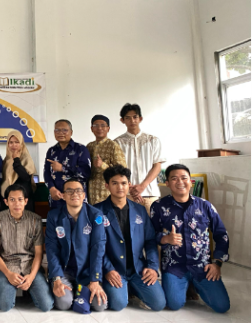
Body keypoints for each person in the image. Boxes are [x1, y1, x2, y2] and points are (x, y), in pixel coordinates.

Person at [150, 164, 230, 313]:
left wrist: (217, 263)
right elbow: (150, 236)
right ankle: (184, 285)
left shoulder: (205, 206)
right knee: (174, 304)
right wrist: (165, 239)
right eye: (174, 179)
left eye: (184, 178)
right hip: (174, 266)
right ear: (167, 183)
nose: (180, 182)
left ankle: (195, 285)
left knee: (222, 306)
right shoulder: (158, 206)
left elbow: (221, 235)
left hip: (202, 266)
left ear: (191, 182)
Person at [94, 165, 165, 311]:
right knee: (118, 304)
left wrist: (152, 267)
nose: (120, 187)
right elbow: (95, 245)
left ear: (129, 185)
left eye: (123, 183)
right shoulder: (97, 211)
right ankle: (124, 288)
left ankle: (132, 287)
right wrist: (108, 269)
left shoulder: (140, 209)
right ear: (107, 186)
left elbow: (150, 241)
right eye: (115, 183)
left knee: (158, 304)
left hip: (138, 269)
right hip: (114, 269)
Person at [46, 178, 108, 312]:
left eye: (79, 191)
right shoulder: (54, 216)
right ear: (63, 195)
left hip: (86, 271)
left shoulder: (95, 215)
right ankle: (76, 294)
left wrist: (95, 280)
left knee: (100, 305)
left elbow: (98, 248)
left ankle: (79, 293)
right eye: (69, 191)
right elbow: (52, 249)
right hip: (64, 271)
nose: (75, 194)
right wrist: (56, 279)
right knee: (63, 304)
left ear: (84, 195)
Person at [0, 184, 53, 312]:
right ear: (6, 202)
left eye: (20, 199)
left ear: (26, 201)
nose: (16, 203)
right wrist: (8, 274)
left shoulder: (35, 220)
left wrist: (31, 277)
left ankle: (30, 290)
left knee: (46, 305)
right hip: (7, 266)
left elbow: (38, 253)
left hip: (29, 266)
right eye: (12, 200)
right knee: (4, 306)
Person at [115, 104, 165, 214]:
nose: (132, 120)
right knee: (129, 224)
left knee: (152, 223)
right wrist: (130, 188)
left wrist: (142, 186)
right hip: (127, 194)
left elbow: (157, 166)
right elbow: (118, 169)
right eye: (128, 118)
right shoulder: (118, 143)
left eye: (135, 117)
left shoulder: (153, 140)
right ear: (122, 120)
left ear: (140, 118)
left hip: (150, 193)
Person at [44, 120, 91, 209]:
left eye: (64, 130)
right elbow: (46, 172)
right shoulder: (51, 151)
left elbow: (86, 173)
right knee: (56, 218)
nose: (60, 133)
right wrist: (52, 189)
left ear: (71, 132)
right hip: (56, 197)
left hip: (76, 198)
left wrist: (63, 168)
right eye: (57, 130)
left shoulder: (80, 149)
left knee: (78, 218)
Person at [86, 115, 126, 205]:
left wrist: (103, 165)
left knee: (106, 213)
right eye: (96, 125)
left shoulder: (113, 145)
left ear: (108, 128)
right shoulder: (89, 146)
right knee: (93, 213)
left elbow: (122, 170)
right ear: (92, 129)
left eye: (103, 125)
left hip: (106, 192)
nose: (99, 128)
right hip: (91, 191)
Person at [1, 130, 36, 213]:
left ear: (21, 143)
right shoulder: (7, 159)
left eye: (17, 142)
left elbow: (25, 177)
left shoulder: (25, 158)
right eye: (11, 142)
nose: (13, 145)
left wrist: (16, 160)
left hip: (22, 199)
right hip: (8, 198)